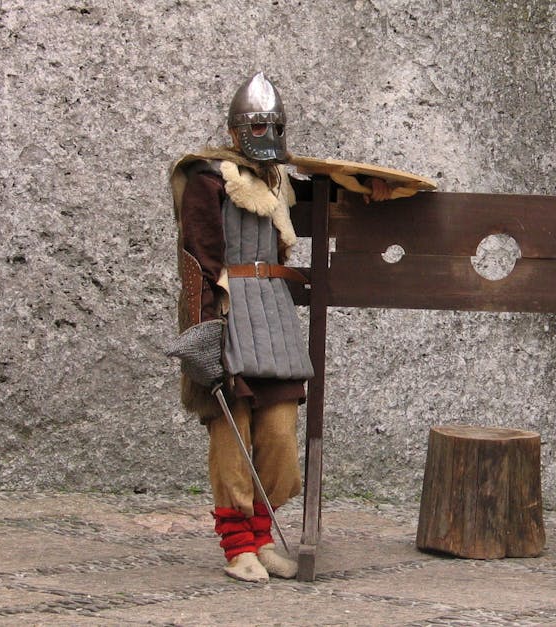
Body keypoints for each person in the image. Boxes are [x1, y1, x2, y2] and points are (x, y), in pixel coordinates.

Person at [165, 72, 401, 583]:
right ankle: (237, 546)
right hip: (227, 313)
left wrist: (369, 192)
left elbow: (327, 202)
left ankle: (262, 533)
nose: (267, 134)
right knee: (232, 433)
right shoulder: (207, 177)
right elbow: (197, 258)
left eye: (274, 124)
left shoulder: (277, 181)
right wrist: (204, 332)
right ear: (234, 129)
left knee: (279, 441)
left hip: (272, 315)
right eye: (257, 124)